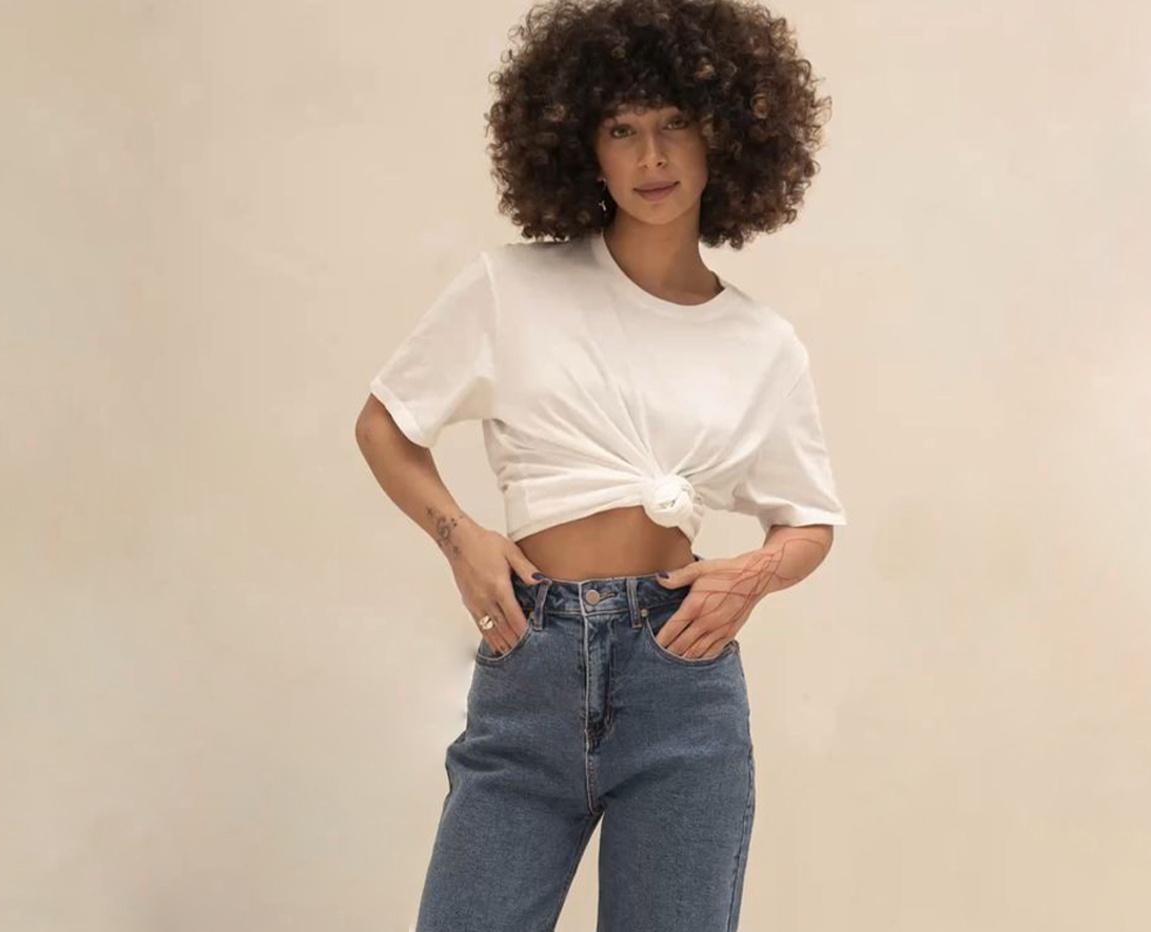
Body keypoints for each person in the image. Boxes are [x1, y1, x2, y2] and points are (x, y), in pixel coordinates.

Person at [355, 0, 845, 927]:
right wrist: (461, 538)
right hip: (530, 659)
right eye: (622, 129)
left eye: (674, 124)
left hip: (680, 677)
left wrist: (751, 576)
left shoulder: (764, 345)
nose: (651, 157)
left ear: (725, 135)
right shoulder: (511, 286)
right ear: (583, 143)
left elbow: (810, 518)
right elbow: (385, 425)